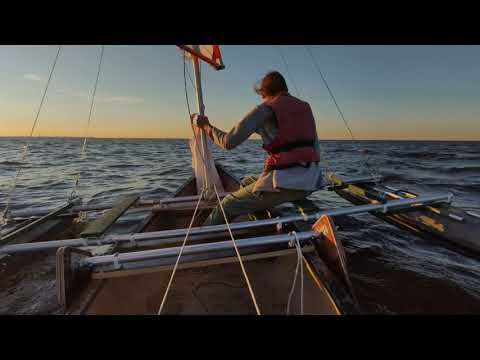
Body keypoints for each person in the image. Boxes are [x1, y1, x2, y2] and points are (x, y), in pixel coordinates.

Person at [191, 71, 323, 226]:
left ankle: (202, 238)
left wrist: (205, 125)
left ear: (264, 93)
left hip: (287, 183)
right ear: (284, 89)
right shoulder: (305, 107)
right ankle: (262, 221)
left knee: (227, 205)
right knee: (247, 181)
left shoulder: (265, 109)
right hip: (312, 178)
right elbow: (315, 148)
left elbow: (228, 142)